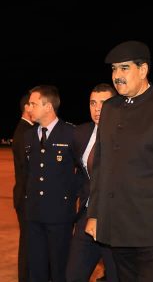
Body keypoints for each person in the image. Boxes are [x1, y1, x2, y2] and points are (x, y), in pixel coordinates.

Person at [85, 40, 153, 282]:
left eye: (124, 68)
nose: (117, 76)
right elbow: (102, 167)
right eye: (114, 69)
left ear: (143, 70)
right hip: (117, 228)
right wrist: (95, 214)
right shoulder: (110, 109)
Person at [24, 85, 78, 282]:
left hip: (59, 215)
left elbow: (82, 173)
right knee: (36, 267)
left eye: (33, 103)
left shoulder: (71, 133)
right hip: (34, 214)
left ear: (48, 107)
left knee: (59, 267)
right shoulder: (29, 135)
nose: (28, 107)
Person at [66, 83, 118, 282]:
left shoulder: (128, 134)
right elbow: (78, 173)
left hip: (115, 221)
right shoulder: (80, 134)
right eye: (93, 103)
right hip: (86, 217)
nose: (97, 109)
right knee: (73, 276)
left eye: (103, 103)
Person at [12, 93, 34, 282]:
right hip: (25, 197)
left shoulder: (24, 130)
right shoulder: (25, 132)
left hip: (22, 195)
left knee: (29, 242)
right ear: (27, 107)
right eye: (33, 104)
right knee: (28, 244)